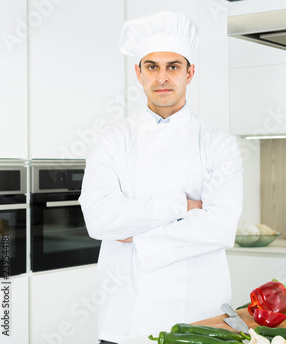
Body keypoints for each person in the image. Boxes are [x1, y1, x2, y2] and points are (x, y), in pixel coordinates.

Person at [79, 11, 243, 344]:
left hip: (200, 316)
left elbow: (220, 226)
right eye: (152, 66)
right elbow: (100, 220)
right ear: (138, 73)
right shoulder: (111, 140)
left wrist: (137, 237)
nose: (162, 77)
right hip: (126, 317)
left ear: (190, 72)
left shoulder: (219, 143)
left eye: (173, 66)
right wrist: (181, 204)